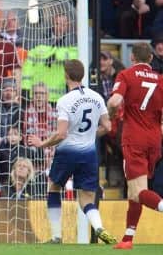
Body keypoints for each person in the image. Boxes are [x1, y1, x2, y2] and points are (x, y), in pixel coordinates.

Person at [28, 59, 117, 244]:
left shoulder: (65, 100)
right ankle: (99, 227)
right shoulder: (97, 96)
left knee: (53, 187)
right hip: (89, 153)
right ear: (82, 75)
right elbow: (108, 126)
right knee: (86, 198)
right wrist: (90, 135)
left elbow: (61, 134)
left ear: (66, 75)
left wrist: (41, 143)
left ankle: (56, 236)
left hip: (68, 151)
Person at [107, 42, 163, 249]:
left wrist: (112, 115)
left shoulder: (126, 75)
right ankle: (128, 238)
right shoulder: (160, 80)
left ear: (132, 58)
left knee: (138, 191)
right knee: (136, 190)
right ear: (150, 59)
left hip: (134, 139)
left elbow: (114, 102)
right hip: (154, 140)